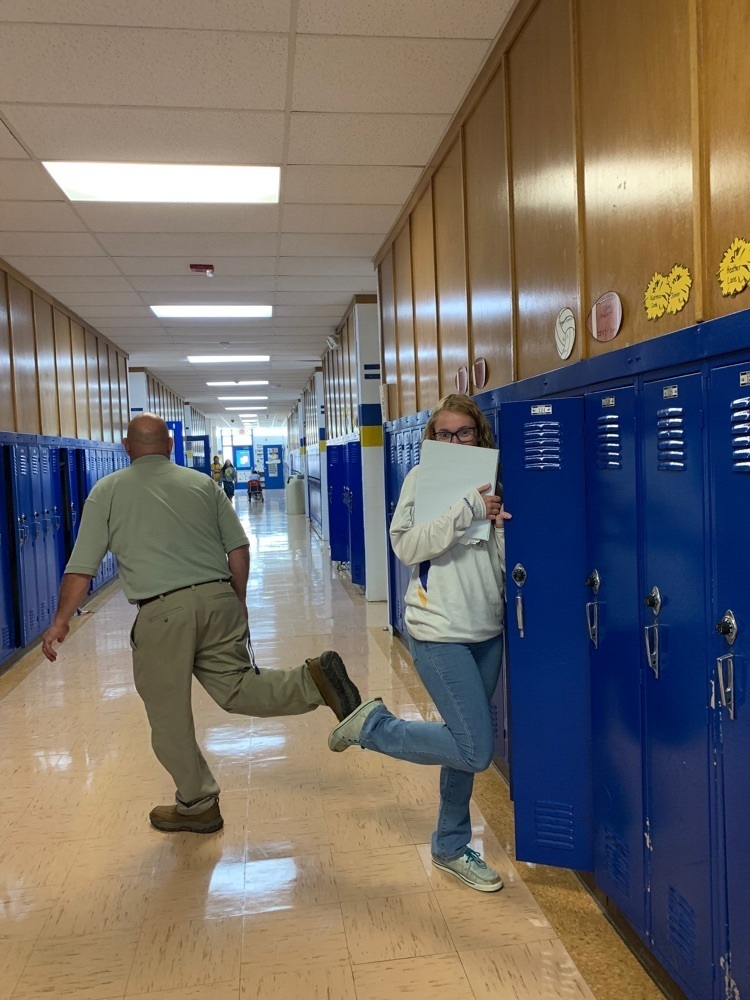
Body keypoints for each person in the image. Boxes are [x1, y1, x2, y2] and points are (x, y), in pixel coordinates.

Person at [41, 413, 361, 834]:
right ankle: (312, 680)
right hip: (218, 598)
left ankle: (197, 804)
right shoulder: (202, 484)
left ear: (125, 446)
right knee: (238, 687)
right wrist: (238, 599)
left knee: (169, 717)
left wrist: (61, 621)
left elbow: (81, 568)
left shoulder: (108, 491)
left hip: (162, 612)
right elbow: (239, 548)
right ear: (170, 446)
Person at [327, 394, 511, 892]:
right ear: (431, 441)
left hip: (486, 631)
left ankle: (451, 846)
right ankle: (375, 728)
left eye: (464, 433)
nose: (454, 441)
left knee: (461, 742)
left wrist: (497, 528)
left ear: (479, 437)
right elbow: (408, 546)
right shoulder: (419, 482)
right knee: (475, 750)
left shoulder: (495, 485)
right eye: (444, 434)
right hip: (437, 630)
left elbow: (499, 566)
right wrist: (464, 509)